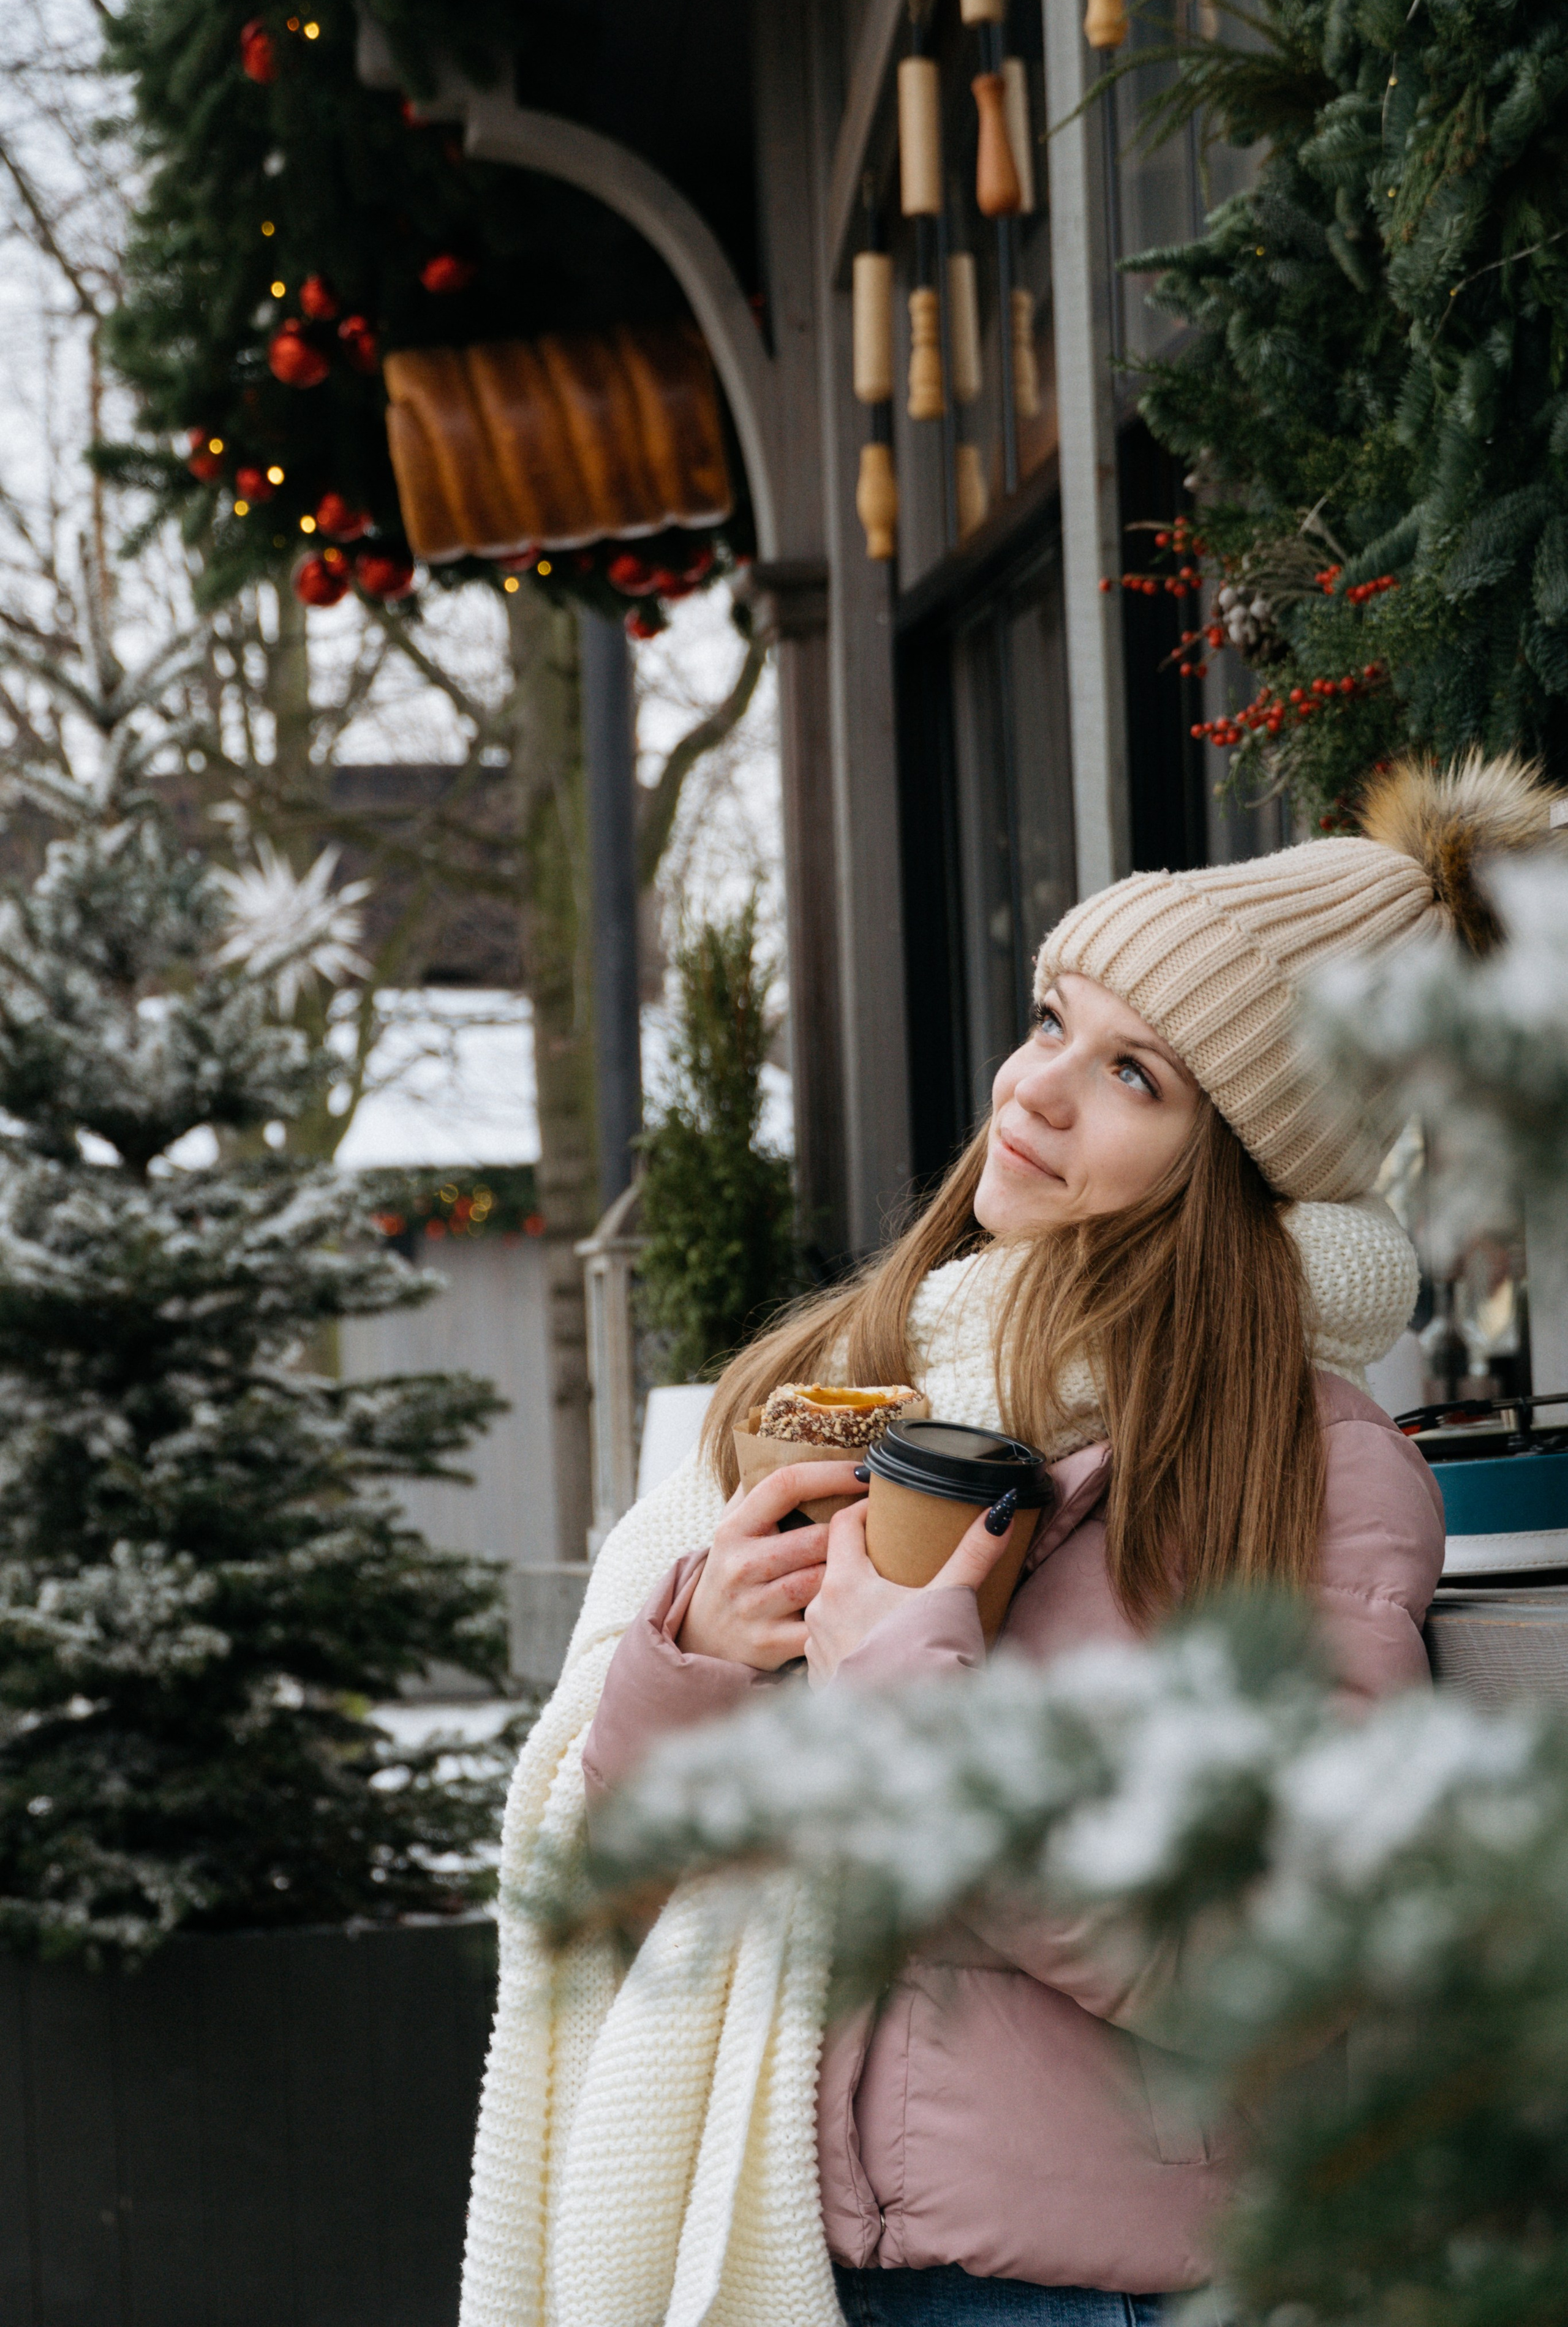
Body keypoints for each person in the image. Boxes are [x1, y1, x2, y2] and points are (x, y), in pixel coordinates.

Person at [459, 755, 1550, 2327]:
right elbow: (620, 1876)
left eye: (1136, 1077)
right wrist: (699, 1657)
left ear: (1234, 1167)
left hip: (1069, 2287)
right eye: (1054, 1024)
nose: (1034, 1088)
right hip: (794, 2252)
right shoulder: (860, 1374)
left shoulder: (1302, 1468)